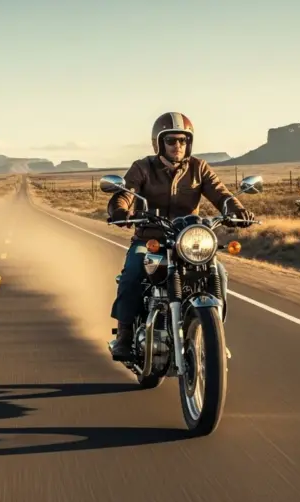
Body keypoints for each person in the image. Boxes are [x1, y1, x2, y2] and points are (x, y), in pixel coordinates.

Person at [107, 112, 255, 362]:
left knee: (218, 272)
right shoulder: (143, 167)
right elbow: (126, 193)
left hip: (187, 240)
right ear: (159, 142)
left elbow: (221, 194)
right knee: (133, 272)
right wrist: (120, 210)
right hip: (150, 239)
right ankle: (123, 336)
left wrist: (236, 210)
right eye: (172, 140)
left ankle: (214, 336)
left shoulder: (199, 167)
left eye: (183, 141)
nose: (178, 146)